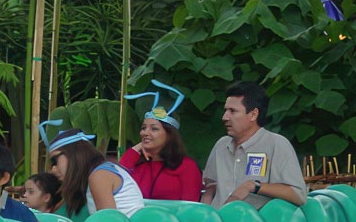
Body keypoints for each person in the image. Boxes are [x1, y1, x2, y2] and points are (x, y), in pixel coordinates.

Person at [201, 81, 307, 209]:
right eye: (225, 110)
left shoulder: (276, 144)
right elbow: (210, 187)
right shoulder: (221, 145)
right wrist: (205, 215)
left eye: (232, 111)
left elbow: (298, 194)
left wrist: (252, 186)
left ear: (253, 114)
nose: (225, 117)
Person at [120, 81, 202, 201]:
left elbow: (190, 207)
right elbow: (118, 178)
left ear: (169, 135)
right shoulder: (140, 165)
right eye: (143, 128)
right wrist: (136, 148)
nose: (145, 133)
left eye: (154, 129)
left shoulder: (187, 166)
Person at [47, 128, 144, 218]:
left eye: (55, 161)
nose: (53, 169)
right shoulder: (99, 172)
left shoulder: (99, 175)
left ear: (72, 154)